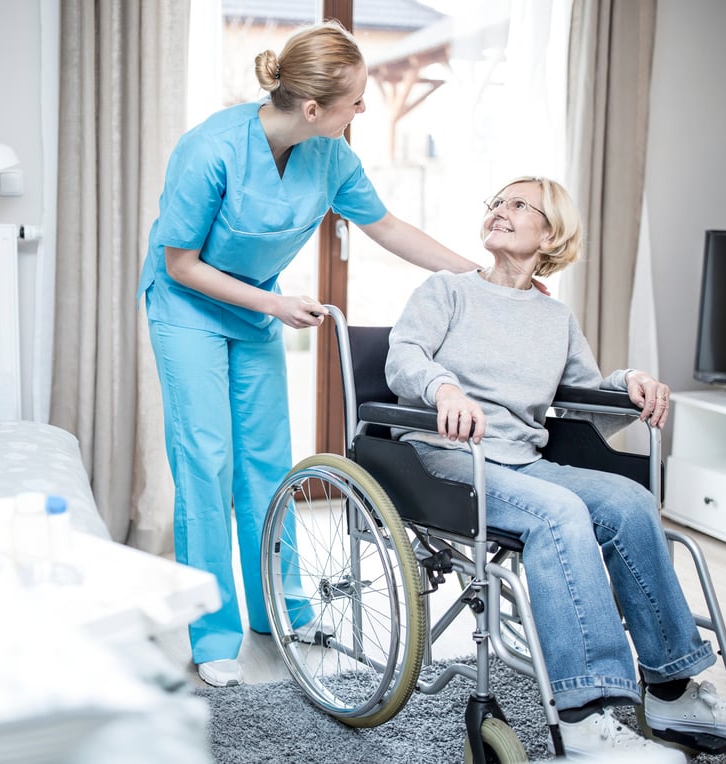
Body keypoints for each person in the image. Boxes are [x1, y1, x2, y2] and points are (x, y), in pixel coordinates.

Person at [385, 176, 726, 759]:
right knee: (560, 513)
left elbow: (581, 399)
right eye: (496, 202)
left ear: (551, 233)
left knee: (630, 502)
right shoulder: (447, 290)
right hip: (444, 459)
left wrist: (629, 384)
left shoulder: (555, 318)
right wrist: (443, 388)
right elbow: (405, 357)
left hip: (522, 461)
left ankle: (672, 692)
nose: (500, 210)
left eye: (519, 205)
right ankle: (583, 720)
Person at [138, 20, 482, 689]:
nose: (364, 110)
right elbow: (179, 264)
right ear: (314, 107)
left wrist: (475, 277)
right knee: (205, 462)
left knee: (268, 461)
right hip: (186, 309)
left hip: (254, 308)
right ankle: (213, 632)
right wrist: (272, 304)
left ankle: (281, 606)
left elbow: (386, 227)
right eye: (356, 100)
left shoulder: (332, 157)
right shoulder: (208, 149)